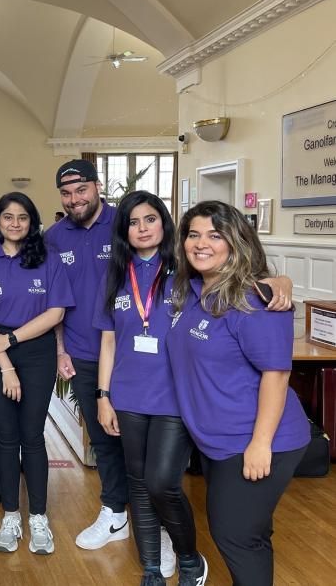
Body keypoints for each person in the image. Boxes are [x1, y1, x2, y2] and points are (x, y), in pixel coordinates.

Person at [167, 201, 309, 586]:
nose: (201, 244)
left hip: (260, 440)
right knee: (250, 532)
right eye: (193, 234)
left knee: (234, 534)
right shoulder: (192, 289)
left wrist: (260, 444)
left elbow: (277, 376)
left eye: (215, 235)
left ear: (236, 242)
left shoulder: (256, 301)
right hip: (216, 441)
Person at [93, 191, 203, 585]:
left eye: (150, 219)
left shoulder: (188, 269)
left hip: (174, 396)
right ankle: (152, 568)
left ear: (164, 223)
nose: (142, 228)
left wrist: (279, 279)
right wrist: (103, 397)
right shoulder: (116, 274)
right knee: (138, 484)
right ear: (124, 230)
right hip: (127, 395)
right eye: (133, 222)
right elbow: (108, 341)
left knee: (162, 482)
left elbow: (240, 279)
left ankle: (189, 558)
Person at [0, 192, 73, 555]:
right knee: (5, 434)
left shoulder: (47, 259)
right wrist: (4, 364)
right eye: (8, 217)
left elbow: (57, 312)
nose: (15, 223)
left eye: (22, 218)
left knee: (32, 435)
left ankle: (39, 518)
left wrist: (12, 340)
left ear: (32, 223)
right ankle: (12, 517)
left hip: (36, 351)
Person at [44, 159, 131, 551]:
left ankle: (155, 519)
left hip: (133, 354)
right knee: (102, 436)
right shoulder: (54, 236)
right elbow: (54, 299)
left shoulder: (127, 223)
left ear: (97, 187)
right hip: (82, 352)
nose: (74, 199)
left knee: (143, 438)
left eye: (81, 190)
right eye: (66, 193)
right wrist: (61, 349)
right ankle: (115, 513)